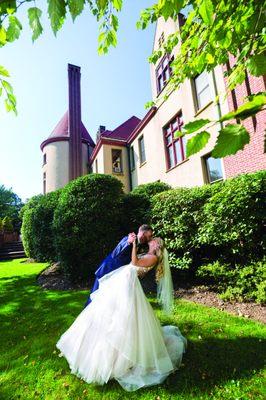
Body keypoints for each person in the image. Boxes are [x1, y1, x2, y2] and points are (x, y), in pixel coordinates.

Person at [56, 236, 188, 392]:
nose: (151, 240)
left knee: (123, 317)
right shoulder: (150, 254)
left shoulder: (152, 257)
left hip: (128, 285)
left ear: (157, 245)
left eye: (154, 240)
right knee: (108, 312)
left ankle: (121, 356)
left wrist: (134, 245)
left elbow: (134, 263)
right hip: (125, 282)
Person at [83, 224, 153, 308]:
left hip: (118, 276)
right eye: (149, 235)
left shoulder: (141, 246)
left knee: (106, 299)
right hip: (107, 270)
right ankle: (87, 314)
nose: (150, 238)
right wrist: (128, 242)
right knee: (95, 295)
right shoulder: (128, 238)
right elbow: (115, 253)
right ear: (143, 233)